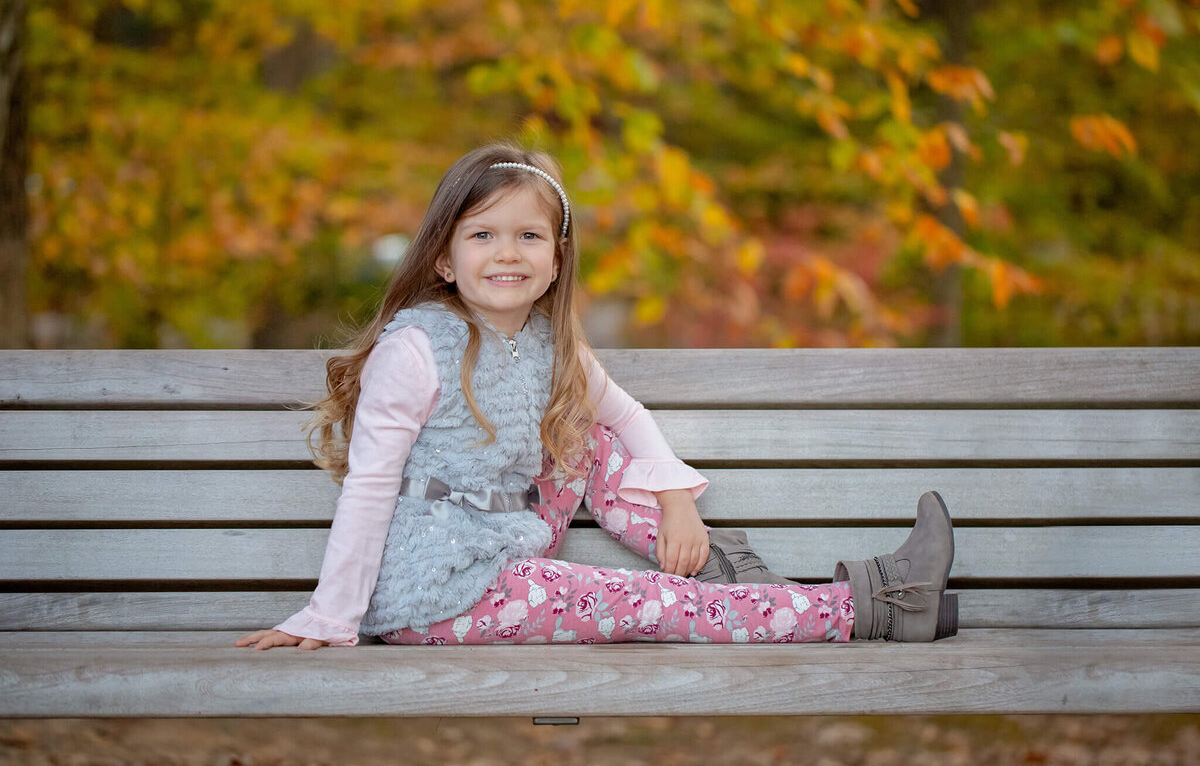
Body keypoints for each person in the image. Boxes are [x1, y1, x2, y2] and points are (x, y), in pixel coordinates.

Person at [235, 143, 958, 651]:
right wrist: (332, 614)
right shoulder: (417, 349)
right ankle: (874, 605)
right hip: (442, 589)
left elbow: (630, 419)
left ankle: (726, 569)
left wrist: (677, 503)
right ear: (444, 259)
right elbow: (370, 486)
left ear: (556, 259)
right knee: (657, 603)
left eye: (529, 236)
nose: (508, 253)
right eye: (482, 234)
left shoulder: (555, 348)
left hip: (511, 542)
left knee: (589, 431)